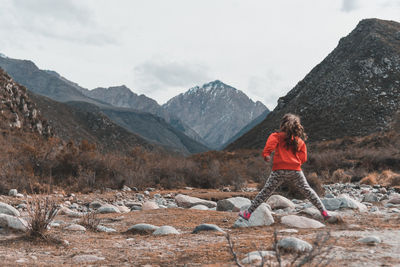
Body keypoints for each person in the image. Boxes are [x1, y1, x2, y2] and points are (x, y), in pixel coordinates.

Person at [239, 113, 331, 220]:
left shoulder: (276, 136)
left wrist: (267, 155)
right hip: (295, 170)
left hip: (279, 170)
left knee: (265, 192)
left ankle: (248, 213)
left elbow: (269, 147)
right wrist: (295, 163)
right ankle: (324, 212)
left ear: (283, 124)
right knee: (308, 191)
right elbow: (304, 158)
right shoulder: (299, 141)